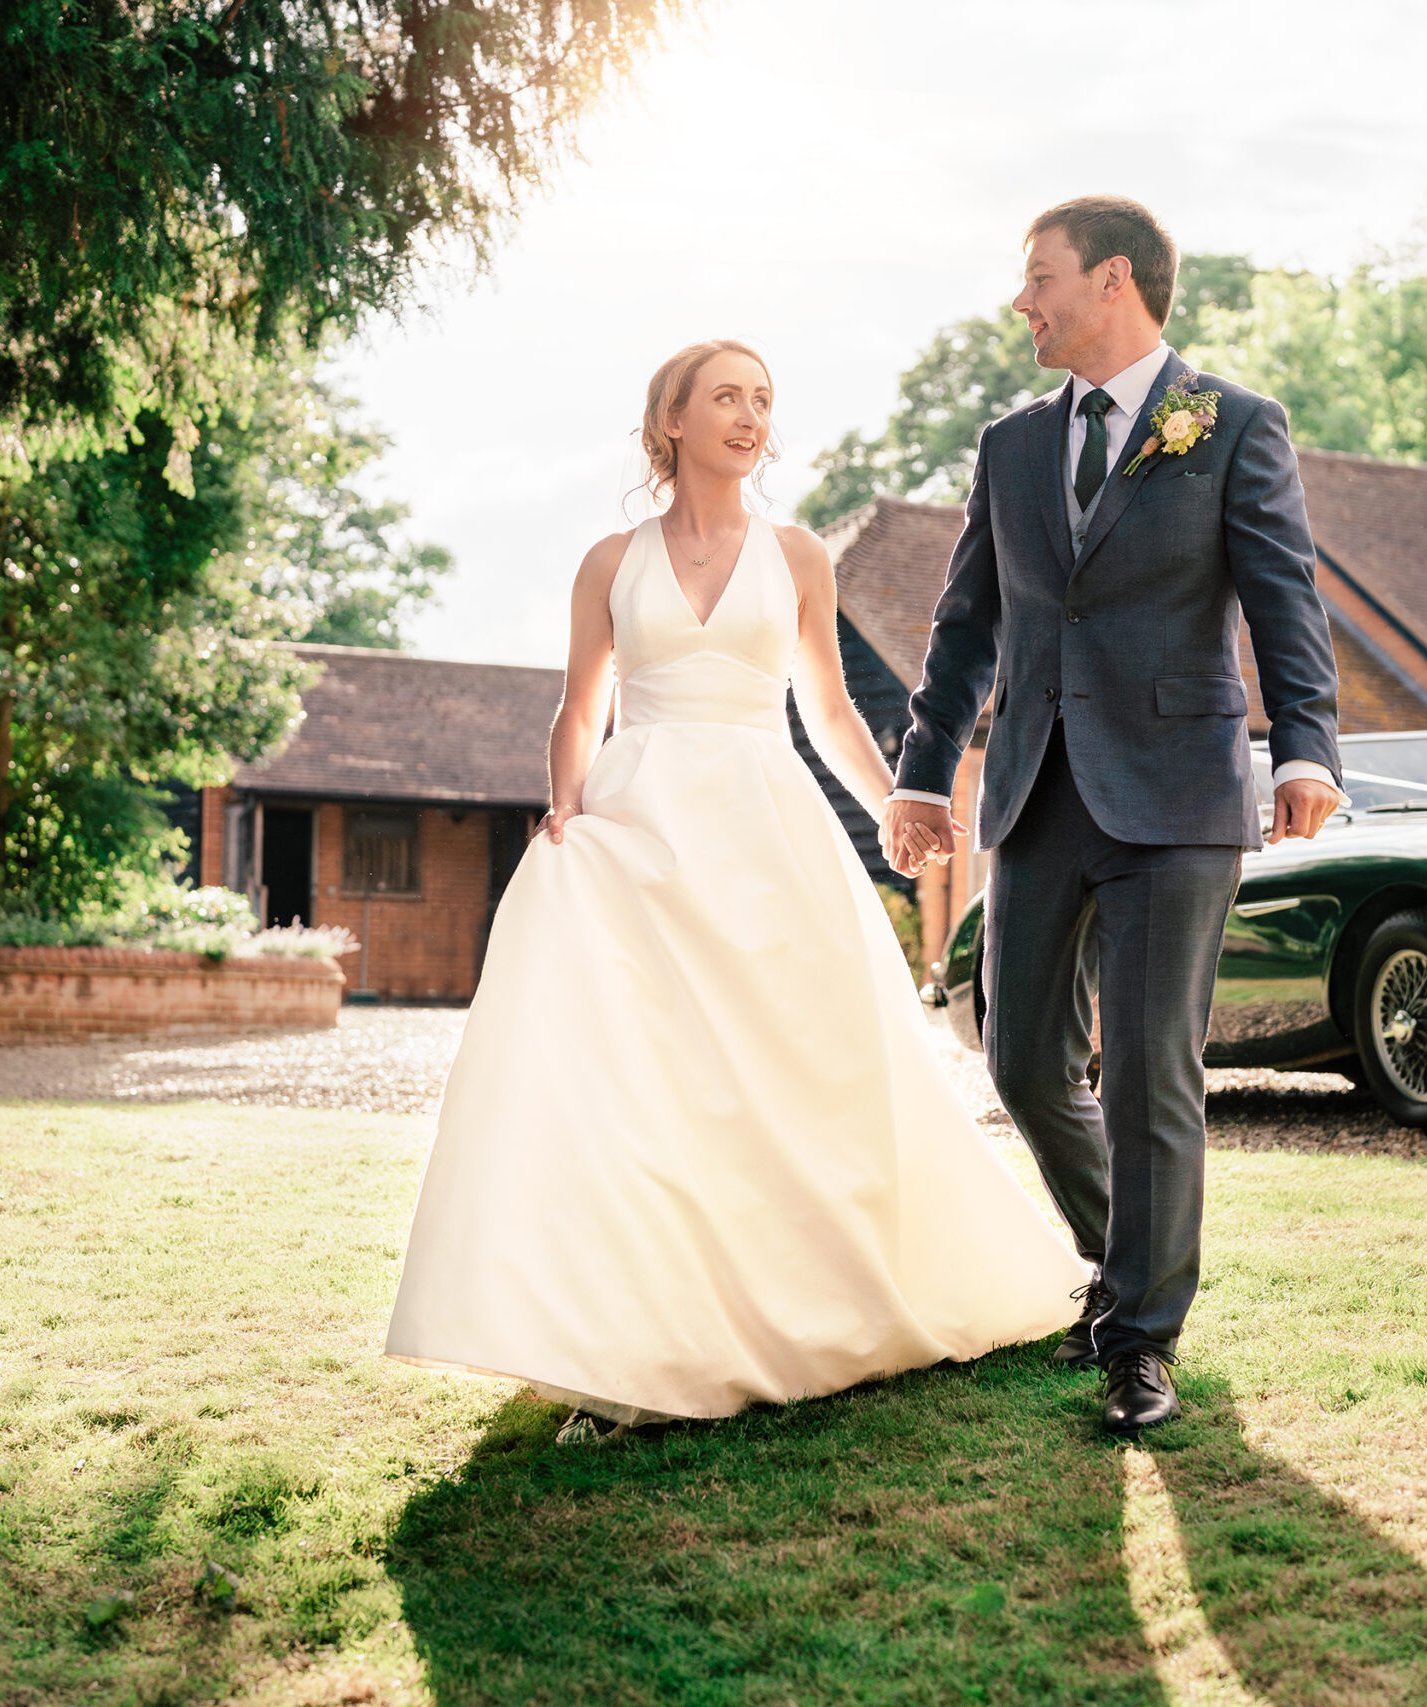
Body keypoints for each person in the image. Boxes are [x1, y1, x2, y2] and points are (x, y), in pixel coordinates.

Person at [384, 340, 1088, 1439]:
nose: (750, 416)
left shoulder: (799, 556)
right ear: (672, 419)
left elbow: (829, 713)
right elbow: (580, 710)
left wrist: (898, 800)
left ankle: (823, 1302)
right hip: (641, 831)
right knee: (649, 1086)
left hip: (767, 833)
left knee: (798, 1070)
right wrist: (566, 810)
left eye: (763, 400)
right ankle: (634, 1353)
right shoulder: (608, 562)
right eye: (727, 397)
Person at [885, 197, 1345, 1436]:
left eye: (1038, 278)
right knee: (1022, 1061)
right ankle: (1120, 1259)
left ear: (1115, 282)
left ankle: (1139, 1336)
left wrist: (1304, 748)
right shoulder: (1011, 446)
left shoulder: (1232, 425)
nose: (1020, 301)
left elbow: (1283, 600)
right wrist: (923, 774)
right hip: (1037, 787)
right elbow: (965, 623)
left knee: (1150, 1071)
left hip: (1177, 792)